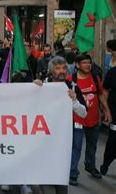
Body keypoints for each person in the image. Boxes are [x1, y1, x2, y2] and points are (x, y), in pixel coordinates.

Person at [33, 56, 87, 194]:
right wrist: (33, 88)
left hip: (63, 139)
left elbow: (83, 113)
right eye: (57, 68)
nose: (61, 71)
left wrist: (74, 101)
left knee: (60, 176)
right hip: (43, 137)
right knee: (43, 173)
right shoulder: (42, 85)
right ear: (51, 70)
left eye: (64, 68)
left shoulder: (73, 87)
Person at [67, 54, 111, 186]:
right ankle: (73, 173)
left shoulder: (95, 78)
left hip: (93, 119)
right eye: (84, 62)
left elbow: (101, 95)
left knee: (92, 146)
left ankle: (90, 166)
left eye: (89, 62)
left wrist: (106, 111)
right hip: (78, 120)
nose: (87, 65)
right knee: (76, 147)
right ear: (77, 65)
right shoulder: (71, 79)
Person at [101, 39, 116, 176]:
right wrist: (106, 110)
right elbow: (104, 92)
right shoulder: (112, 73)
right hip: (114, 113)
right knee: (113, 141)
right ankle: (106, 163)